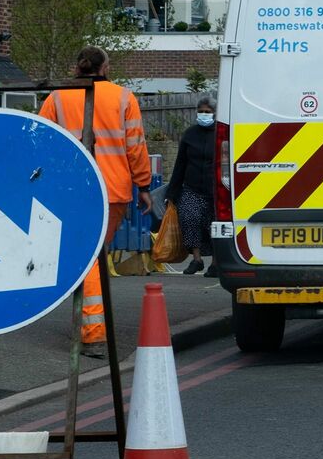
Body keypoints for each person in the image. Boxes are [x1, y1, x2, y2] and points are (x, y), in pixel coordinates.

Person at [40, 46, 152, 357]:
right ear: (103, 67)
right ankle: (93, 331)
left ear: (79, 67)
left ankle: (92, 329)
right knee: (93, 258)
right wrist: (143, 185)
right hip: (112, 190)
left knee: (87, 257)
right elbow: (136, 146)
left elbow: (42, 142)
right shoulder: (122, 98)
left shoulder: (57, 98)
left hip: (73, 191)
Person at [167, 96, 217, 276]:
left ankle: (215, 263)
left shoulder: (221, 133)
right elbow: (180, 163)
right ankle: (196, 259)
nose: (204, 115)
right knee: (189, 218)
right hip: (191, 187)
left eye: (207, 112)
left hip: (215, 190)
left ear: (214, 114)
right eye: (201, 112)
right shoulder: (189, 134)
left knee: (214, 225)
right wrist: (172, 192)